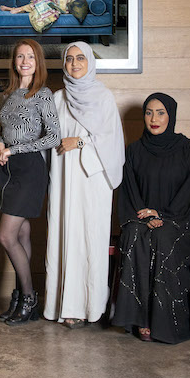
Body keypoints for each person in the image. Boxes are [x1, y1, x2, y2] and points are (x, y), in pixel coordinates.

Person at [110, 93, 190, 344]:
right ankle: (139, 318)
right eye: (149, 112)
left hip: (180, 218)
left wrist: (163, 214)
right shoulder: (135, 150)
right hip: (142, 218)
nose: (154, 119)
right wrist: (144, 216)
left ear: (171, 115)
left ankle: (163, 320)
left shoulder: (188, 148)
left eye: (161, 113)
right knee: (133, 235)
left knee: (163, 237)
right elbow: (130, 191)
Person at [44, 42, 124, 328]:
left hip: (92, 181)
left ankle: (90, 306)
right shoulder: (57, 98)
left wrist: (78, 142)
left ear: (90, 62)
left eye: (80, 58)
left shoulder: (103, 97)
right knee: (64, 235)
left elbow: (112, 142)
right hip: (64, 179)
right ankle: (64, 305)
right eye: (69, 59)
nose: (74, 64)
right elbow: (47, 137)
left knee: (89, 238)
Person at [0, 38, 60, 325]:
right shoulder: (9, 94)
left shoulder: (43, 94)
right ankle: (21, 297)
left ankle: (30, 297)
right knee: (20, 235)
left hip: (30, 169)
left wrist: (14, 150)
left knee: (6, 236)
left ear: (38, 62)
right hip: (8, 169)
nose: (24, 61)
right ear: (14, 62)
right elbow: (3, 129)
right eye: (20, 56)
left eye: (30, 56)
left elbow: (53, 137)